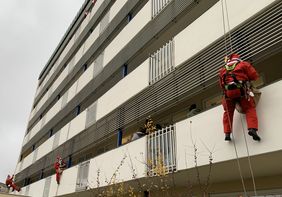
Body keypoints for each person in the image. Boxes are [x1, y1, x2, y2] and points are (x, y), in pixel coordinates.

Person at [219, 53, 261, 141]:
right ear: (238, 58)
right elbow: (254, 76)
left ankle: (227, 134)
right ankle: (252, 129)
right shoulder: (243, 64)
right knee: (249, 108)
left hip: (228, 93)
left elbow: (221, 85)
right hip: (241, 90)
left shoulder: (223, 70)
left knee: (228, 112)